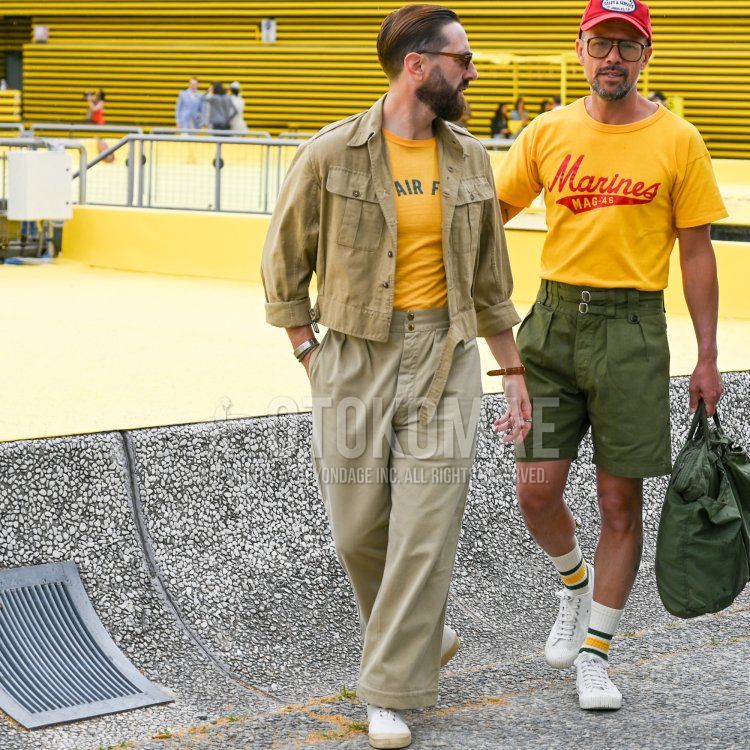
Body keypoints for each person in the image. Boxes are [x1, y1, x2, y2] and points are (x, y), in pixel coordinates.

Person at [262, 4, 529, 747]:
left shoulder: (472, 160)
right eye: (462, 58)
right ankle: (421, 636)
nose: (471, 72)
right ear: (419, 65)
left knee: (425, 529)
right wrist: (307, 353)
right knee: (356, 532)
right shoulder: (331, 154)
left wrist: (511, 371)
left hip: (446, 354)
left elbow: (491, 281)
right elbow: (283, 261)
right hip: (353, 354)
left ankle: (387, 693)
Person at [493, 0, 727, 712]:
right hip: (552, 327)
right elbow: (485, 218)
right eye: (602, 44)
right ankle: (574, 584)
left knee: (620, 500)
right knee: (535, 487)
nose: (613, 58)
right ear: (581, 48)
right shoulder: (547, 131)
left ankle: (595, 654)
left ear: (646, 54)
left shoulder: (678, 140)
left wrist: (707, 354)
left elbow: (696, 251)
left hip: (633, 333)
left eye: (627, 45)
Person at [85, 89, 113, 162]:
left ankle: (102, 148)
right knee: (96, 137)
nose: (95, 96)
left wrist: (89, 101)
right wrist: (89, 98)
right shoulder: (95, 101)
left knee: (99, 138)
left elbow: (95, 109)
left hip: (99, 122)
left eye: (97, 94)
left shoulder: (101, 102)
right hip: (93, 121)